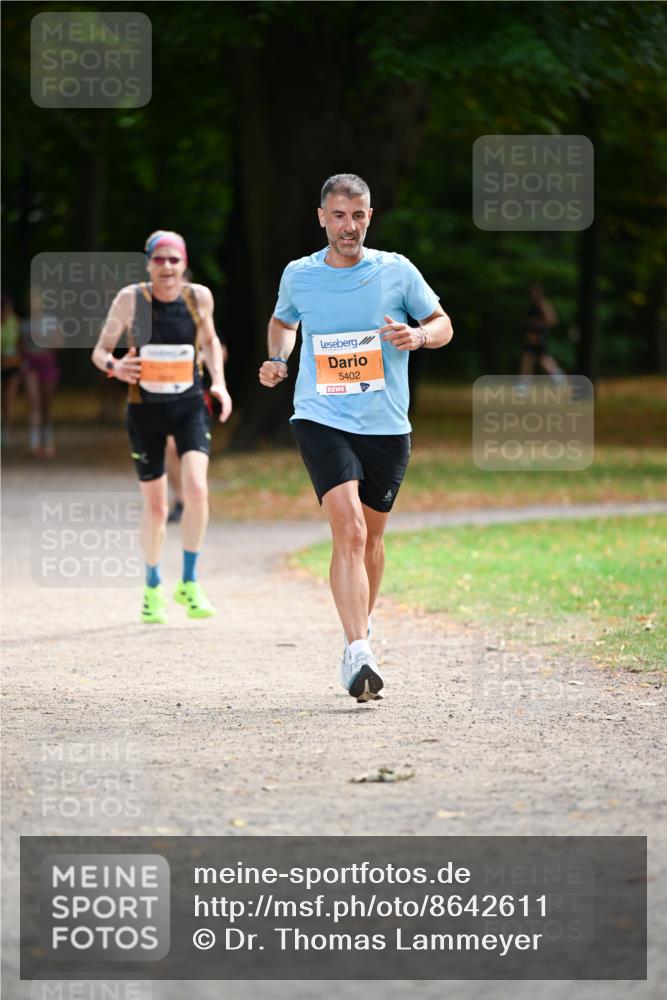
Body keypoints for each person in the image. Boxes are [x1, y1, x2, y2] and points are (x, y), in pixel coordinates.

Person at [259, 174, 453, 703]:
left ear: (371, 216)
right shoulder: (299, 275)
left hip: (387, 424)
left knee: (371, 537)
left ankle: (358, 635)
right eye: (339, 215)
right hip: (320, 416)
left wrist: (417, 336)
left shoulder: (396, 270)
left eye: (359, 215)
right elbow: (283, 322)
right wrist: (278, 358)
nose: (349, 226)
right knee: (346, 529)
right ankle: (359, 649)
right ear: (321, 216)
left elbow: (442, 323)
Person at [92, 230, 232, 624]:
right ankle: (152, 585)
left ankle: (188, 581)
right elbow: (100, 351)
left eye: (174, 259)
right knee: (155, 507)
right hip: (144, 409)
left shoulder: (198, 297)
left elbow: (209, 343)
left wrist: (218, 383)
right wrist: (116, 366)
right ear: (149, 263)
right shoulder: (130, 299)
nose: (167, 267)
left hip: (189, 405)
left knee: (197, 487)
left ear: (184, 263)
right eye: (160, 259)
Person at [21, 289, 61, 458]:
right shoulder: (23, 324)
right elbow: (19, 346)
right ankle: (34, 443)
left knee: (46, 405)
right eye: (31, 300)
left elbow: (60, 343)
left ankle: (48, 440)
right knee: (34, 403)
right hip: (30, 364)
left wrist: (47, 340)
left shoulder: (52, 321)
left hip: (47, 363)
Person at [520, 284, 565, 382]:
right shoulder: (532, 305)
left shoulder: (543, 304)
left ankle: (560, 378)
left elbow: (552, 320)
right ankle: (524, 384)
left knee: (544, 359)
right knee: (527, 359)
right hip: (531, 337)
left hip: (540, 336)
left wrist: (536, 323)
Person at [1, 293, 22, 448]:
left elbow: (19, 344)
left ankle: (6, 430)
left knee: (9, 400)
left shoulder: (14, 322)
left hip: (12, 364)